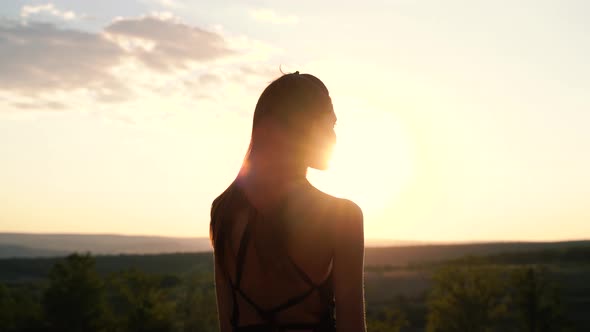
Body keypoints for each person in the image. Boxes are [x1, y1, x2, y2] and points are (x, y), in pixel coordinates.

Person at [210, 72, 366, 332]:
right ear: (302, 127)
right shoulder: (342, 217)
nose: (334, 137)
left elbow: (227, 324)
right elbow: (352, 326)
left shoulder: (225, 210)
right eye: (330, 125)